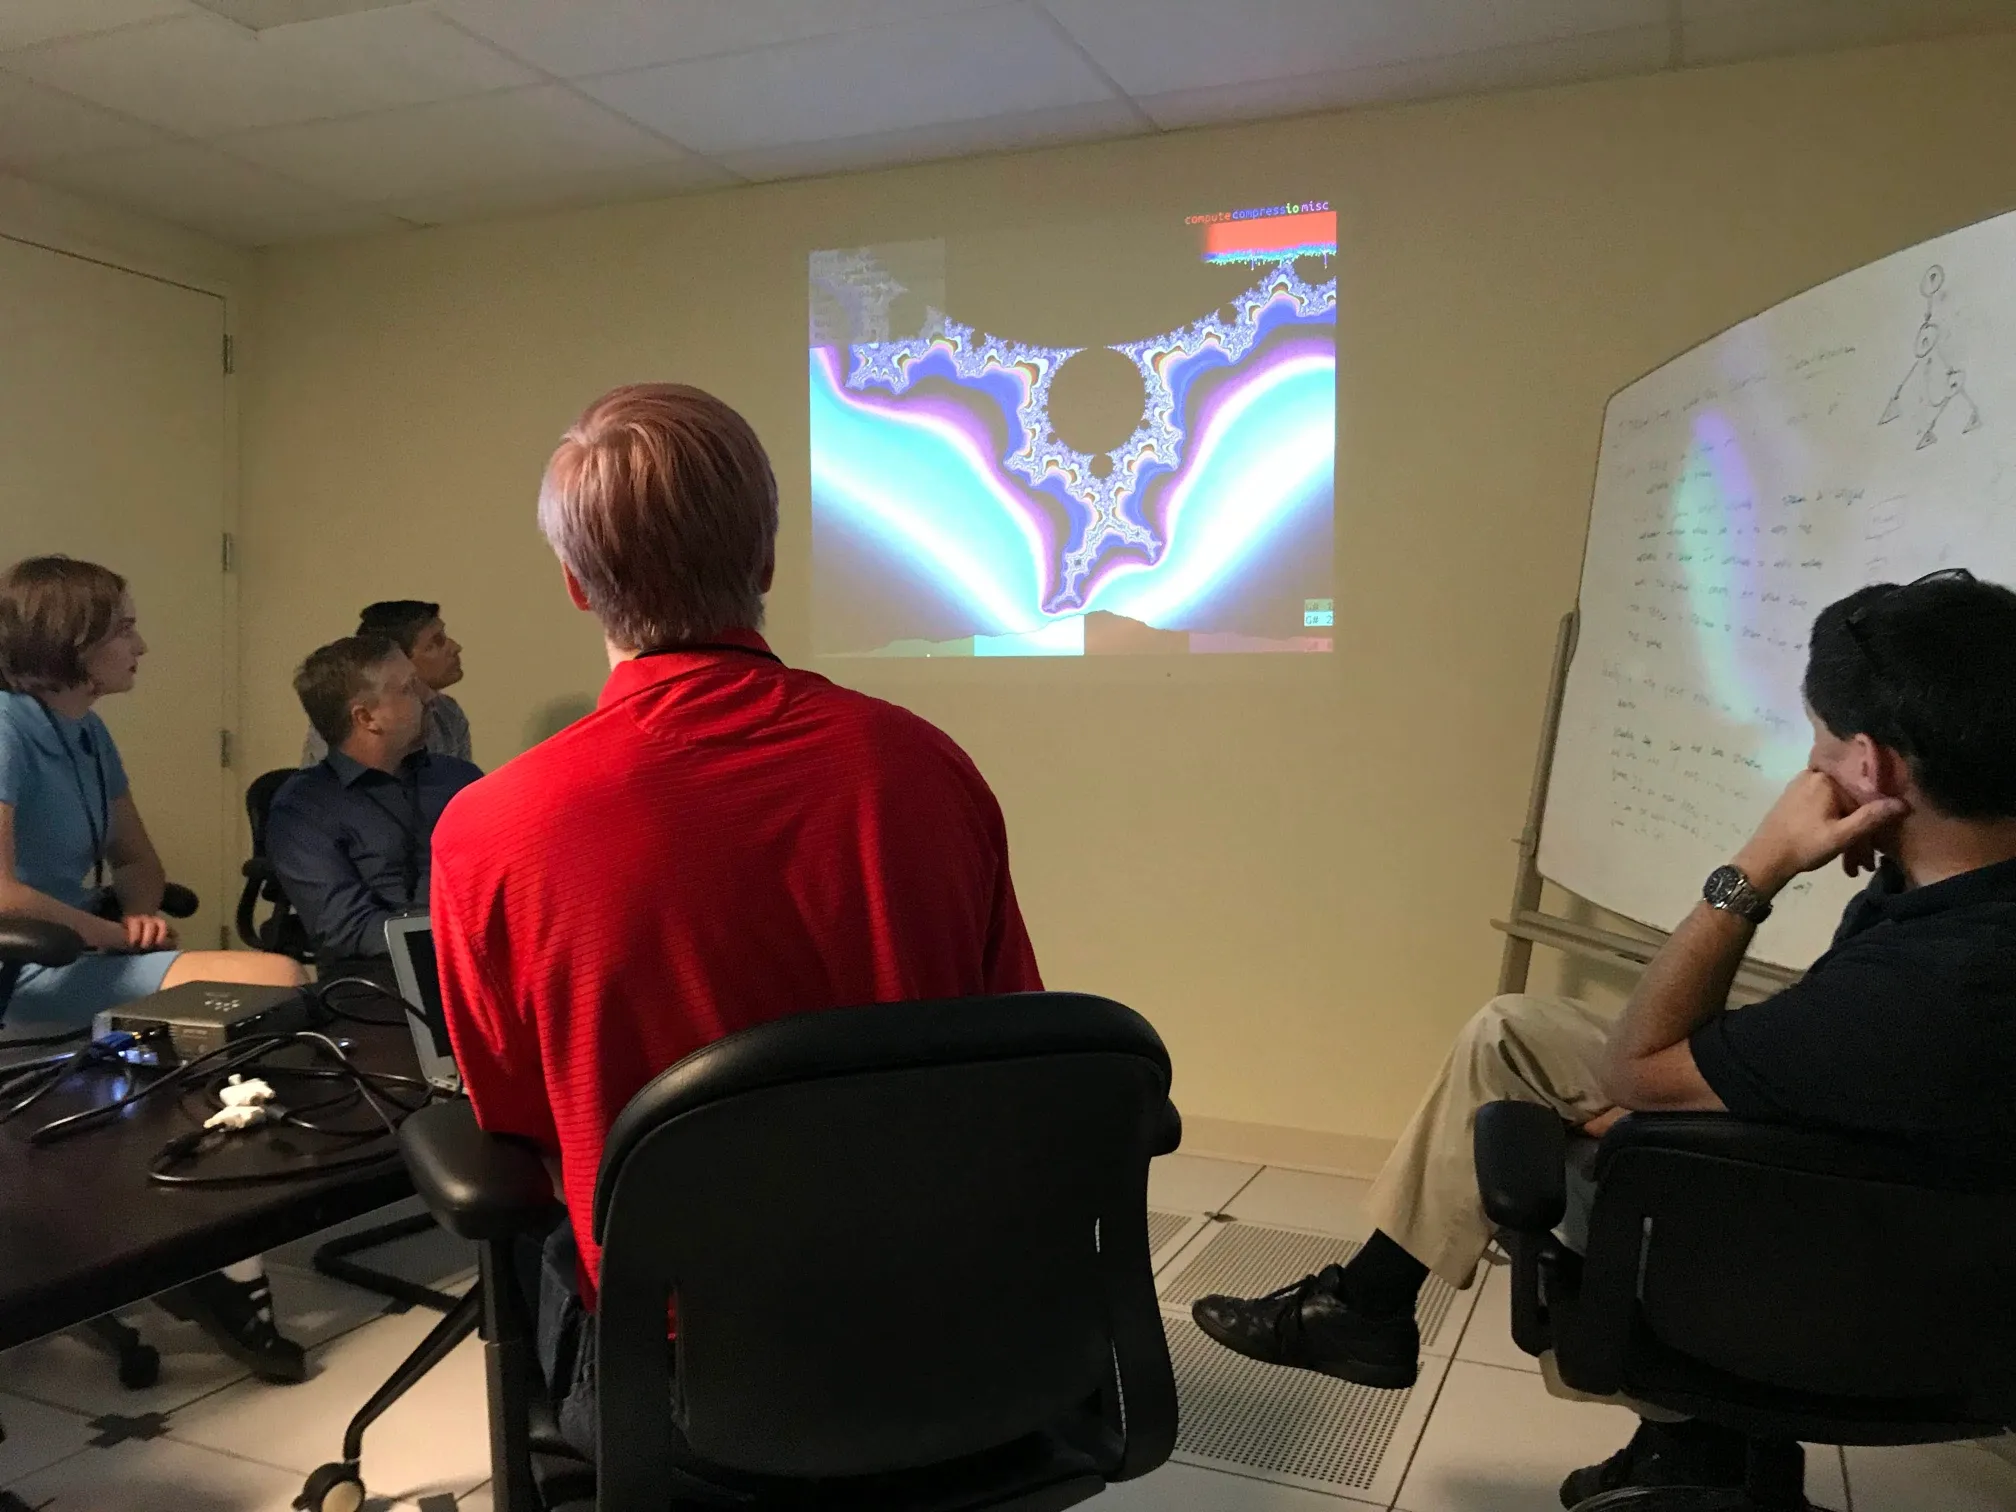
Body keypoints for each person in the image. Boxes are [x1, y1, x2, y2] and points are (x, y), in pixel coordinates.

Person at [1193, 568, 2016, 1506]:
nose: (1810, 773)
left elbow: (1640, 1063)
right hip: (1921, 1245)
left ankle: (1389, 1318)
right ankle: (1371, 1307)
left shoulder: (1929, 985)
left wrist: (1760, 864)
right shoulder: (1954, 906)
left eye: (1820, 746)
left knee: (1539, 1127)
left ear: (1872, 767)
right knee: (1512, 1033)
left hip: (1828, 1275)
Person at [430, 383, 1042, 1471]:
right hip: (960, 1336)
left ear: (575, 584)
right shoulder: (926, 769)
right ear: (764, 562)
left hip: (692, 1390)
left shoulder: (491, 829)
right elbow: (1013, 1049)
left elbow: (516, 1118)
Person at [0, 555, 312, 1383]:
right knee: (270, 982)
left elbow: (137, 858)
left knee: (261, 993)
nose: (141, 643)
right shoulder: (2, 727)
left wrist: (135, 908)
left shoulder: (88, 732)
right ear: (75, 640)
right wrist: (101, 933)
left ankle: (181, 1240)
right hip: (18, 969)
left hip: (70, 950)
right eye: (126, 627)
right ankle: (203, 1263)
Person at [267, 636, 481, 968]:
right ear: (366, 718)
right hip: (377, 983)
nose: (428, 696)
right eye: (409, 689)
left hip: (479, 971)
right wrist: (456, 937)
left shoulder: (460, 781)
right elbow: (347, 930)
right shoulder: (303, 808)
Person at [300, 601, 470, 767]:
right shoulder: (342, 724)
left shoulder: (448, 713)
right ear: (396, 659)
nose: (456, 647)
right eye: (434, 643)